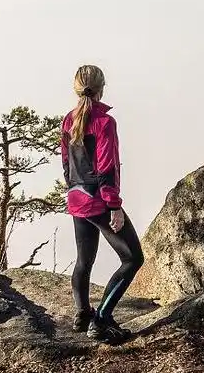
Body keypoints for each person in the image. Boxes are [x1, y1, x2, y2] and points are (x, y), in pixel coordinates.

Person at [60, 64, 144, 344]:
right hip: (98, 200)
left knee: (84, 259)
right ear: (102, 88)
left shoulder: (68, 120)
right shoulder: (104, 122)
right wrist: (114, 206)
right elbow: (106, 167)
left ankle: (82, 314)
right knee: (133, 258)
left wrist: (74, 191)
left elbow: (65, 164)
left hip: (76, 197)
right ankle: (101, 320)